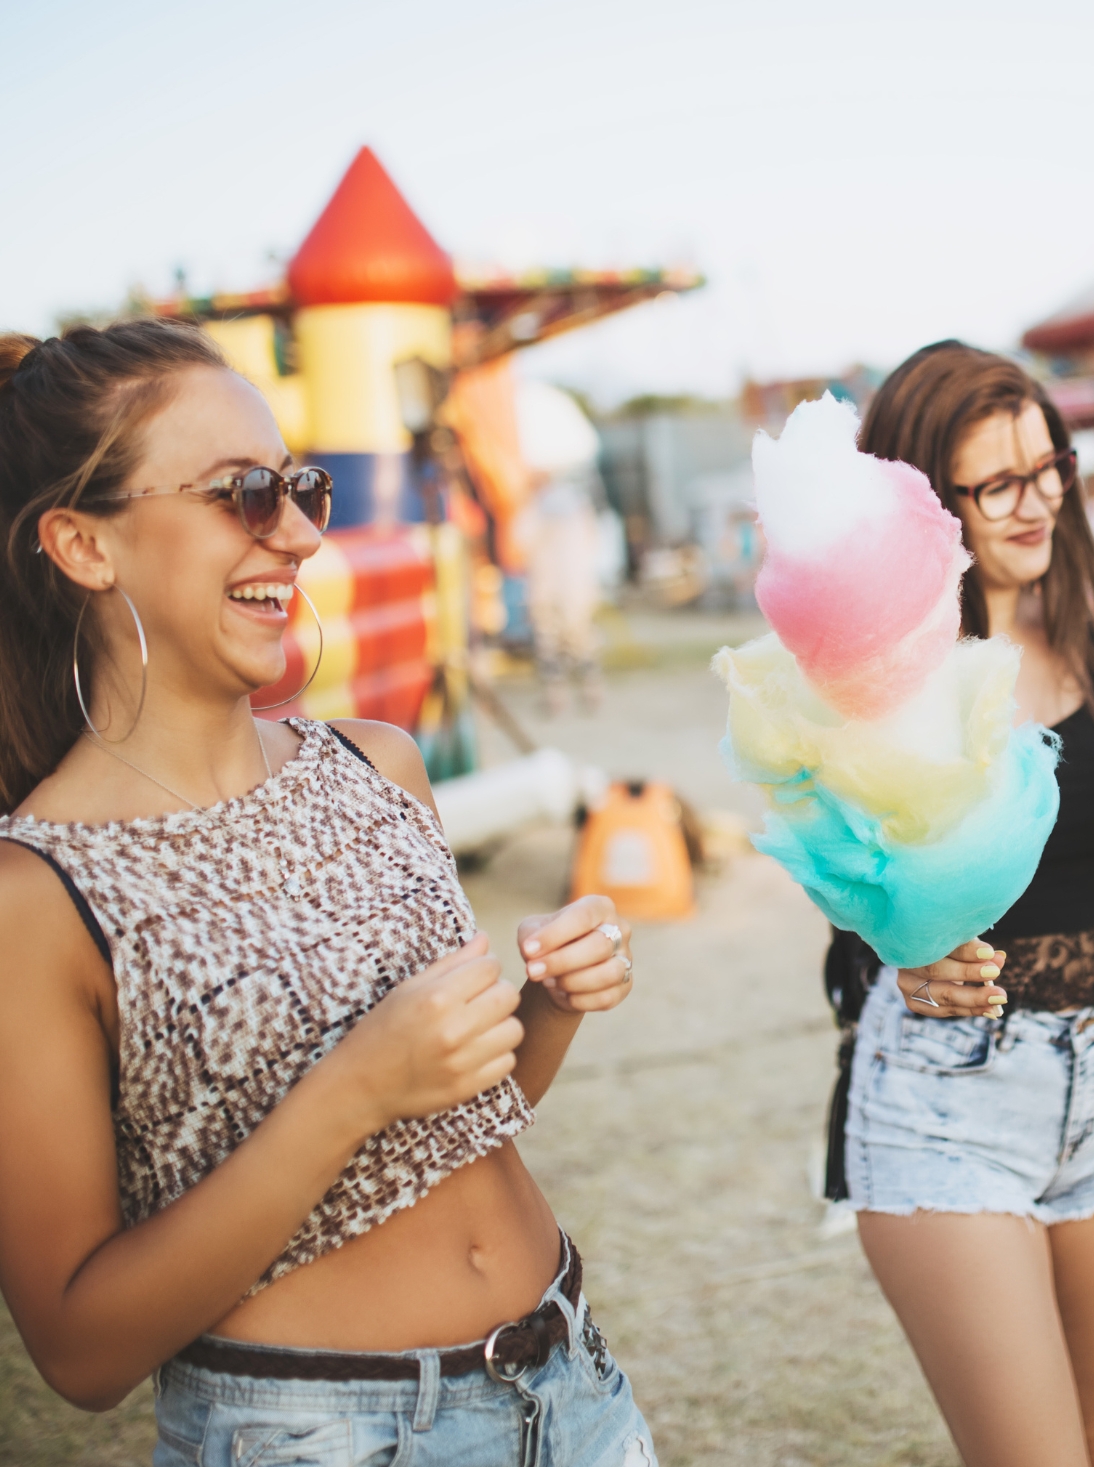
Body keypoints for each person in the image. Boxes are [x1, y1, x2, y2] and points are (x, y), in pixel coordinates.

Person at [0, 323, 654, 1464]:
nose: (301, 534)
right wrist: (348, 1091)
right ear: (84, 545)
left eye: (301, 489)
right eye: (244, 494)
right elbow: (81, 1352)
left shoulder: (378, 764)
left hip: (574, 1390)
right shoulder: (37, 892)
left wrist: (549, 1002)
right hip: (320, 1434)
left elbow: (456, 1126)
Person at [820, 341, 1094, 1467]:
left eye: (1048, 465)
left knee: (1093, 1448)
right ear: (926, 499)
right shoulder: (875, 671)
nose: (1039, 499)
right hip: (945, 1099)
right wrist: (898, 944)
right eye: (999, 481)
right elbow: (839, 868)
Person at [515, 379, 607, 715]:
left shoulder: (552, 503)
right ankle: (572, 693)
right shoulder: (552, 503)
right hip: (560, 581)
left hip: (561, 581)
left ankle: (577, 691)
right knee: (560, 635)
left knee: (567, 634)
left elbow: (524, 541)